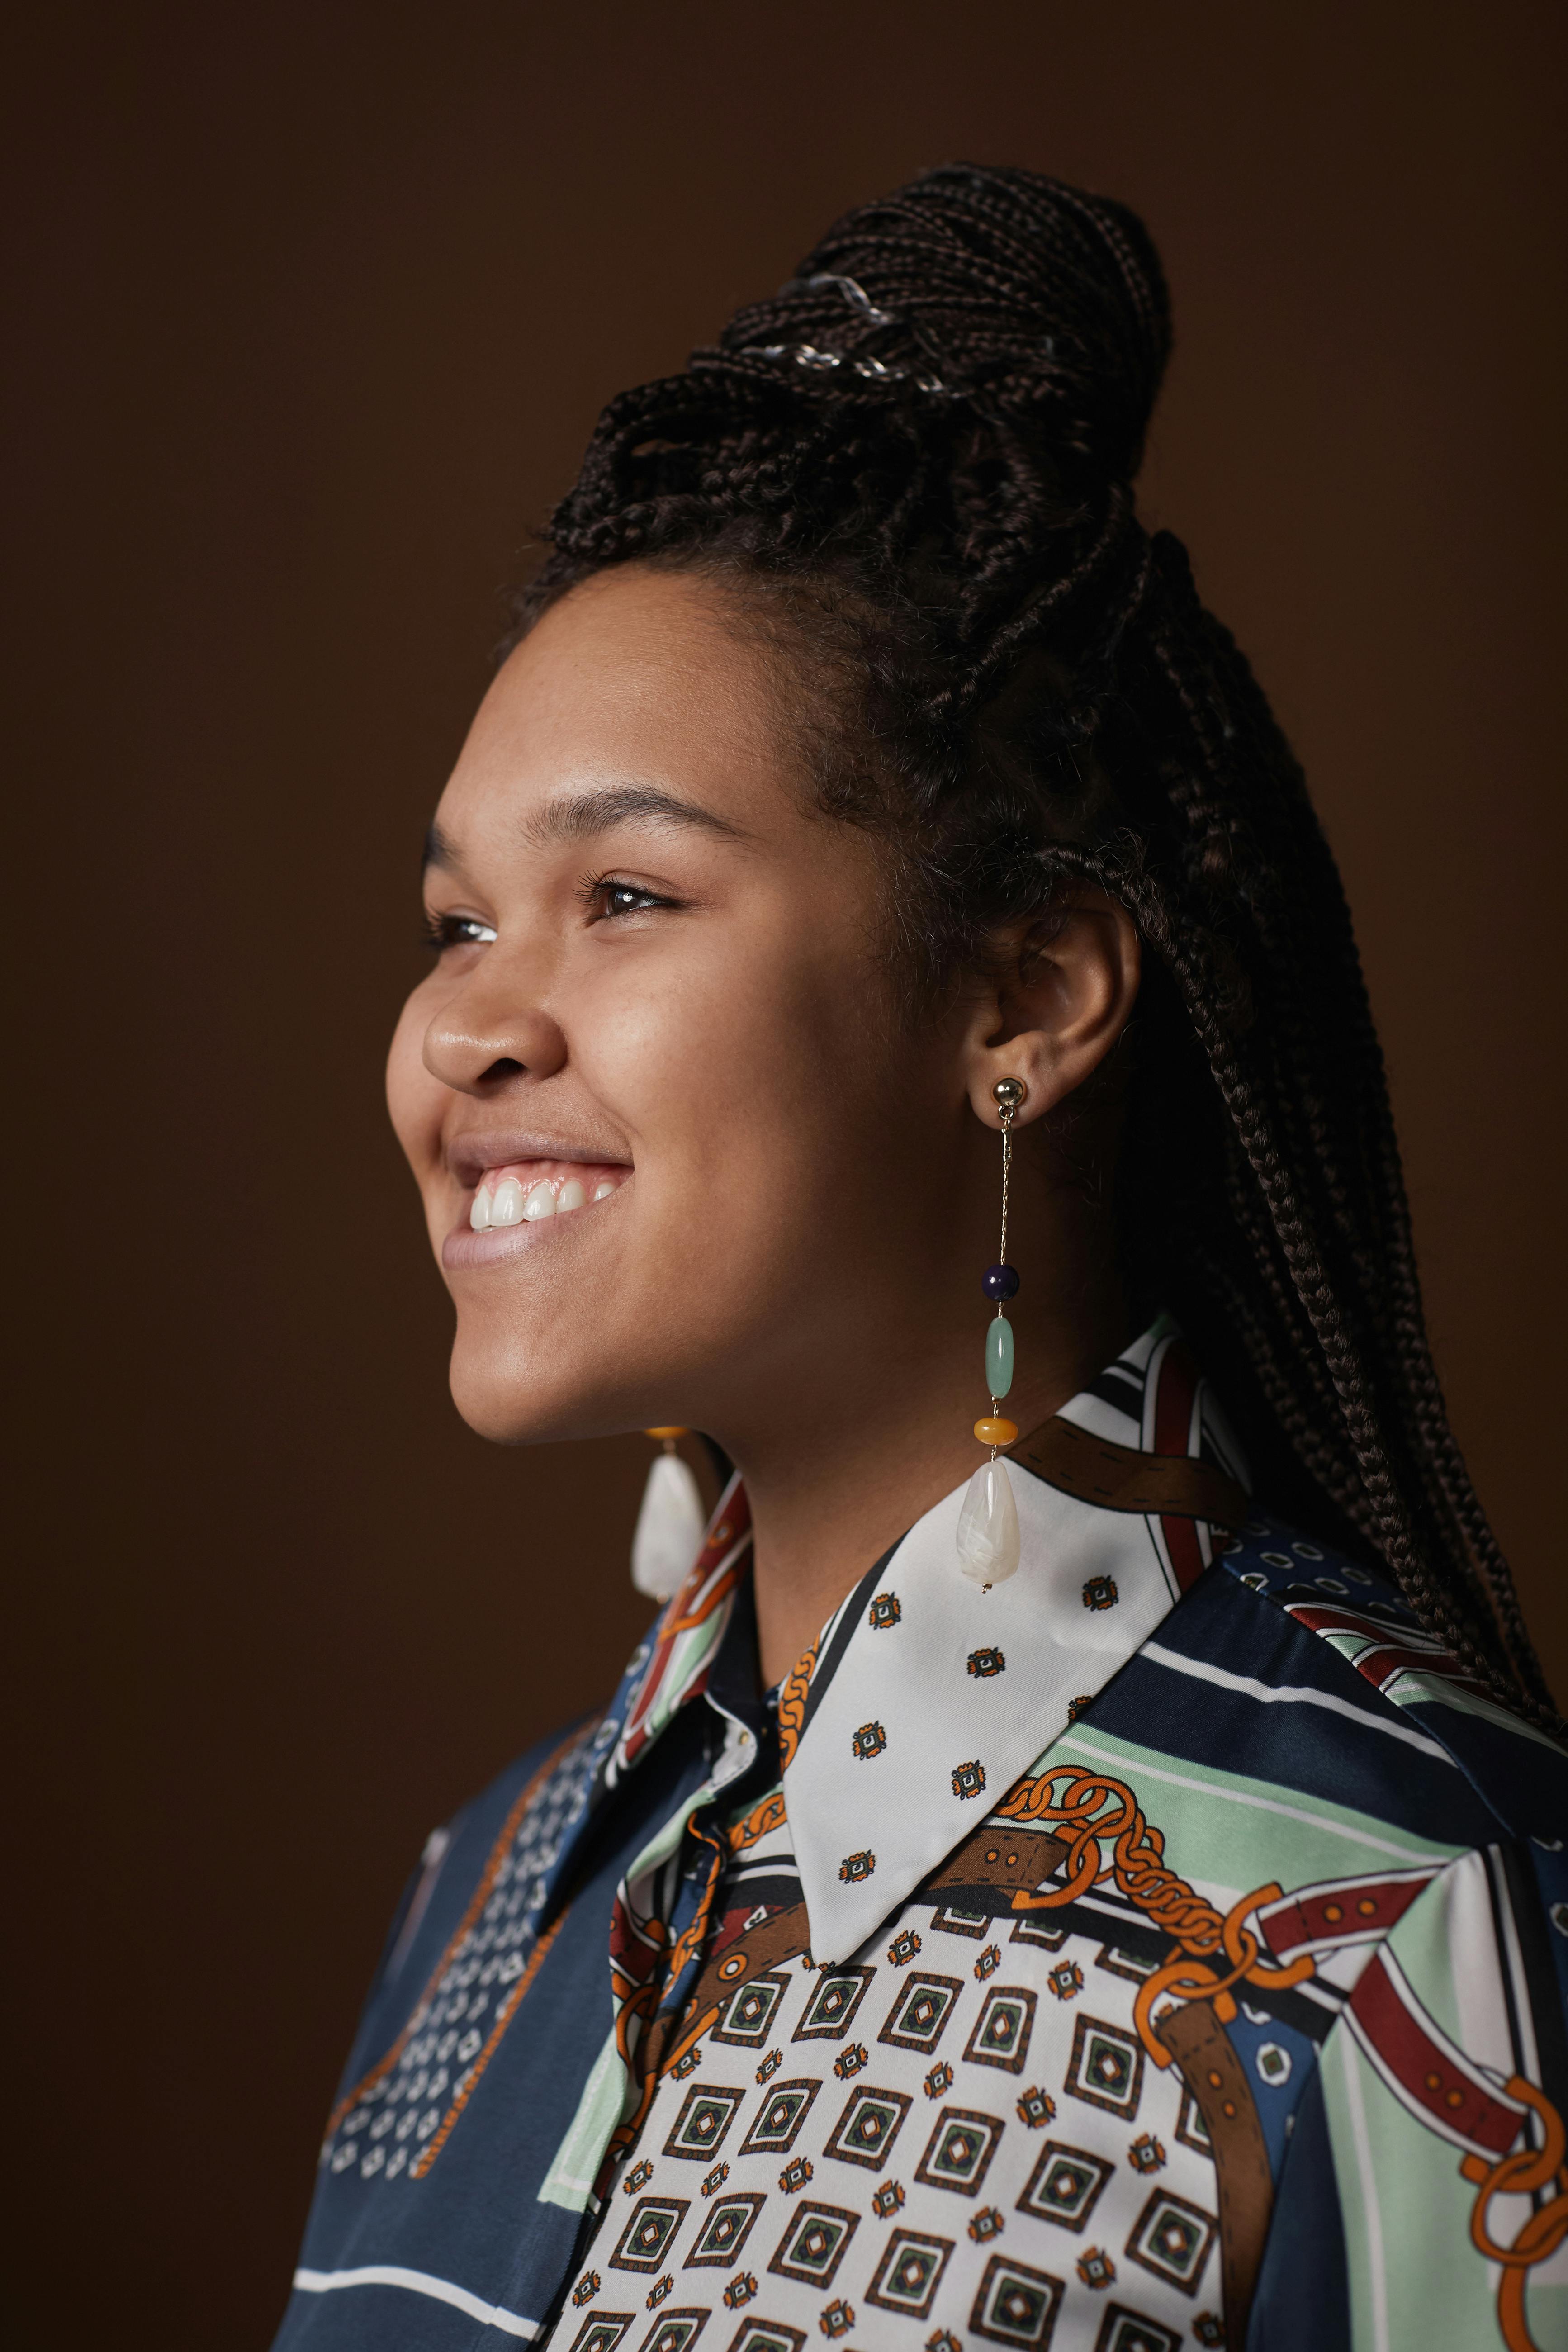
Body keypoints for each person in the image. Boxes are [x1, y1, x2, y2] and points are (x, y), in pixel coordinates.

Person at [271, 167, 1568, 2352]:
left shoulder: (1403, 1927)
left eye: (629, 896)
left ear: (1028, 998)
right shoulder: (493, 1891)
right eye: (458, 921)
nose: (467, 1025)